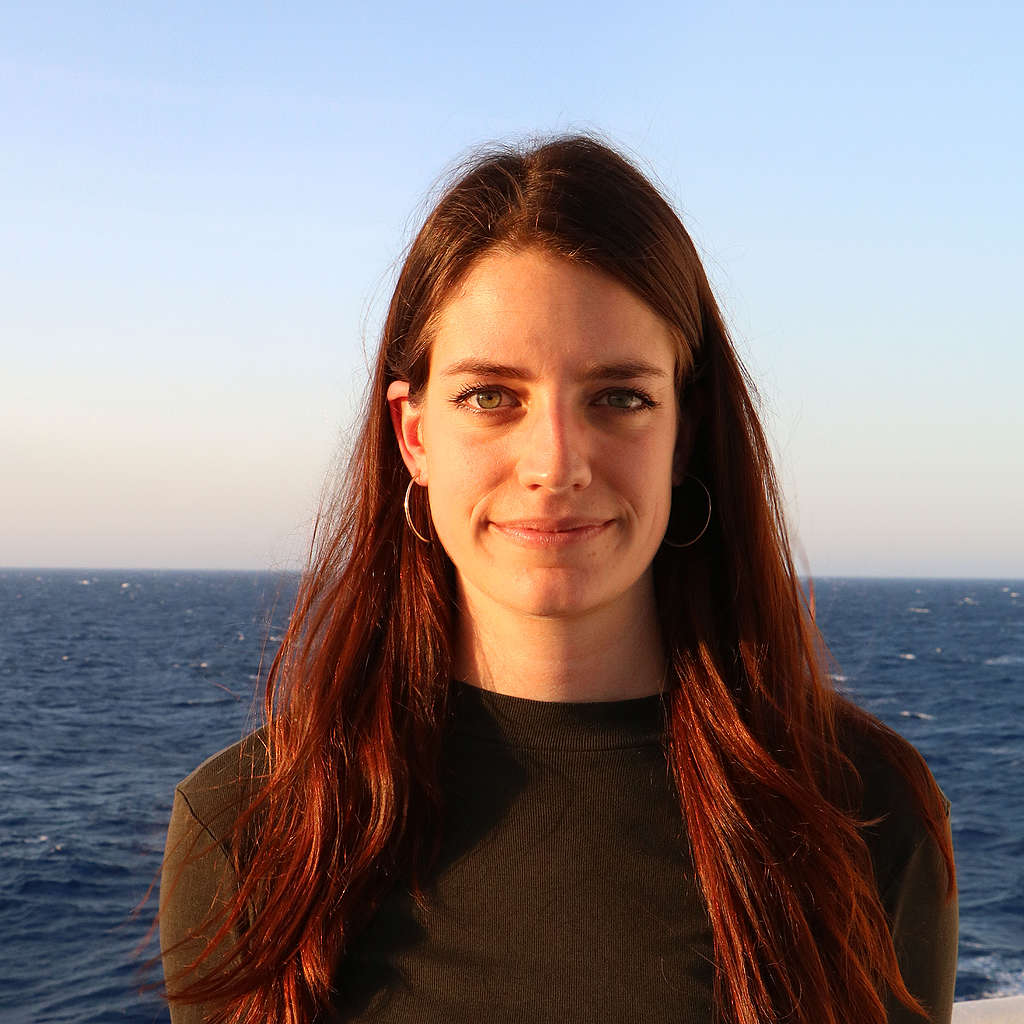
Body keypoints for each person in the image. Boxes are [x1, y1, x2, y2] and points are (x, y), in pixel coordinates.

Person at [159, 134, 957, 1024]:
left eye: (619, 397)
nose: (555, 463)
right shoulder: (254, 831)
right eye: (490, 396)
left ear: (684, 434)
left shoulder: (864, 813)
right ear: (414, 435)